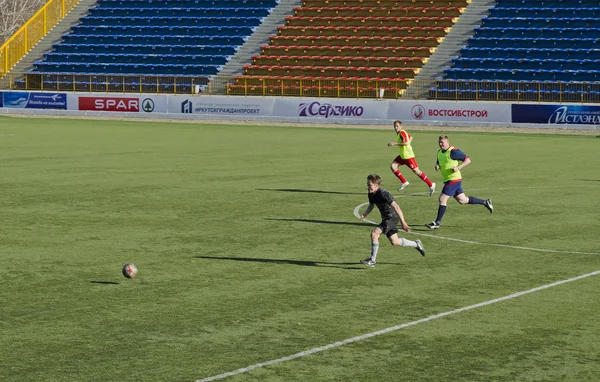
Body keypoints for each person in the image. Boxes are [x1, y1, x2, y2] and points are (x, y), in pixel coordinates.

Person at [426, 135, 493, 229]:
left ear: (447, 142)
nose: (440, 144)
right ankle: (485, 202)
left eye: (442, 142)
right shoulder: (439, 152)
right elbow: (438, 161)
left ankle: (437, 222)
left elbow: (468, 160)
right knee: (463, 200)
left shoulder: (453, 151)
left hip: (453, 179)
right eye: (439, 142)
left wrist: (458, 168)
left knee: (442, 199)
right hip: (448, 179)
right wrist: (437, 165)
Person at [359, 174, 426, 267]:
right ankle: (416, 244)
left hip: (391, 218)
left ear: (376, 185)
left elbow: (397, 207)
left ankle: (372, 260)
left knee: (374, 234)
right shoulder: (370, 193)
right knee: (395, 242)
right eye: (367, 184)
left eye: (369, 185)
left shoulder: (383, 193)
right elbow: (371, 204)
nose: (368, 186)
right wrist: (365, 214)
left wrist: (403, 222)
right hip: (386, 218)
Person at [388, 120, 436, 196]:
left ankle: (431, 185)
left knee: (417, 172)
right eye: (394, 126)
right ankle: (404, 182)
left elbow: (406, 143)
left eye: (397, 126)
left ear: (401, 126)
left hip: (408, 156)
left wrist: (394, 143)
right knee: (393, 166)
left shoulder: (402, 132)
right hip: (402, 156)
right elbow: (411, 137)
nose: (395, 127)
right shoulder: (400, 133)